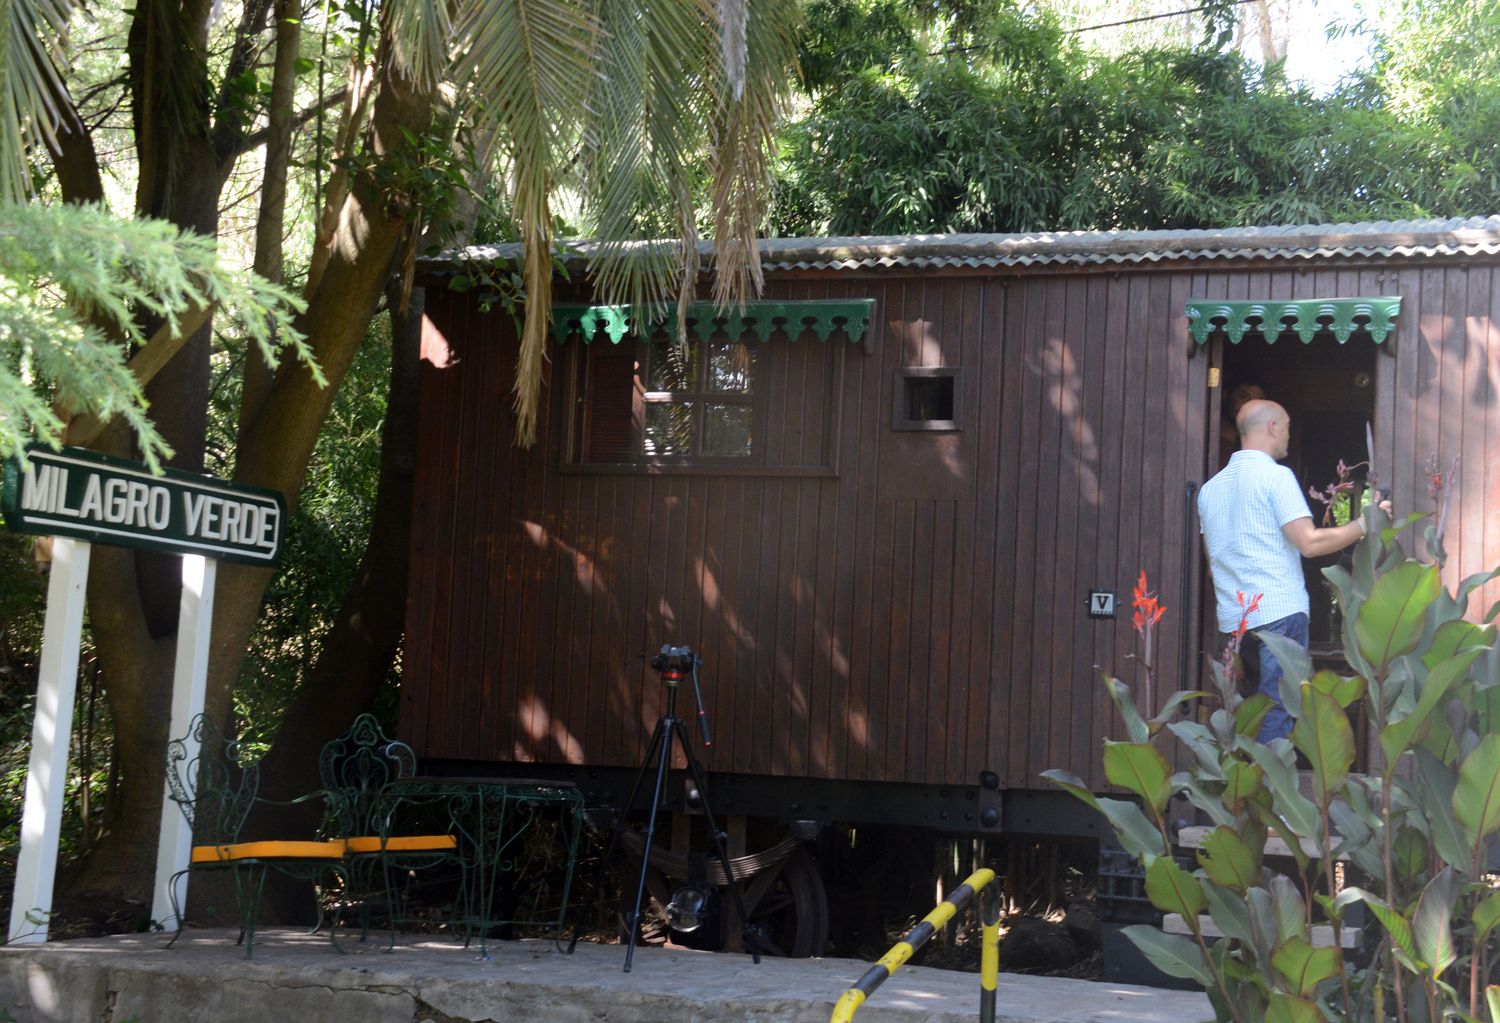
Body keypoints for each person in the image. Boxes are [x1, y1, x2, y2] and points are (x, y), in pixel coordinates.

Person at [1197, 398, 1389, 743]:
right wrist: (1366, 523)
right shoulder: (1276, 477)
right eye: (1287, 427)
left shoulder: (1210, 490)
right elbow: (1310, 543)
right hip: (1279, 614)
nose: (1289, 435)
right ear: (1272, 427)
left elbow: (1213, 567)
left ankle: (1245, 792)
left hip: (1235, 621)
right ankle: (1273, 794)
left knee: (1247, 713)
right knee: (1278, 711)